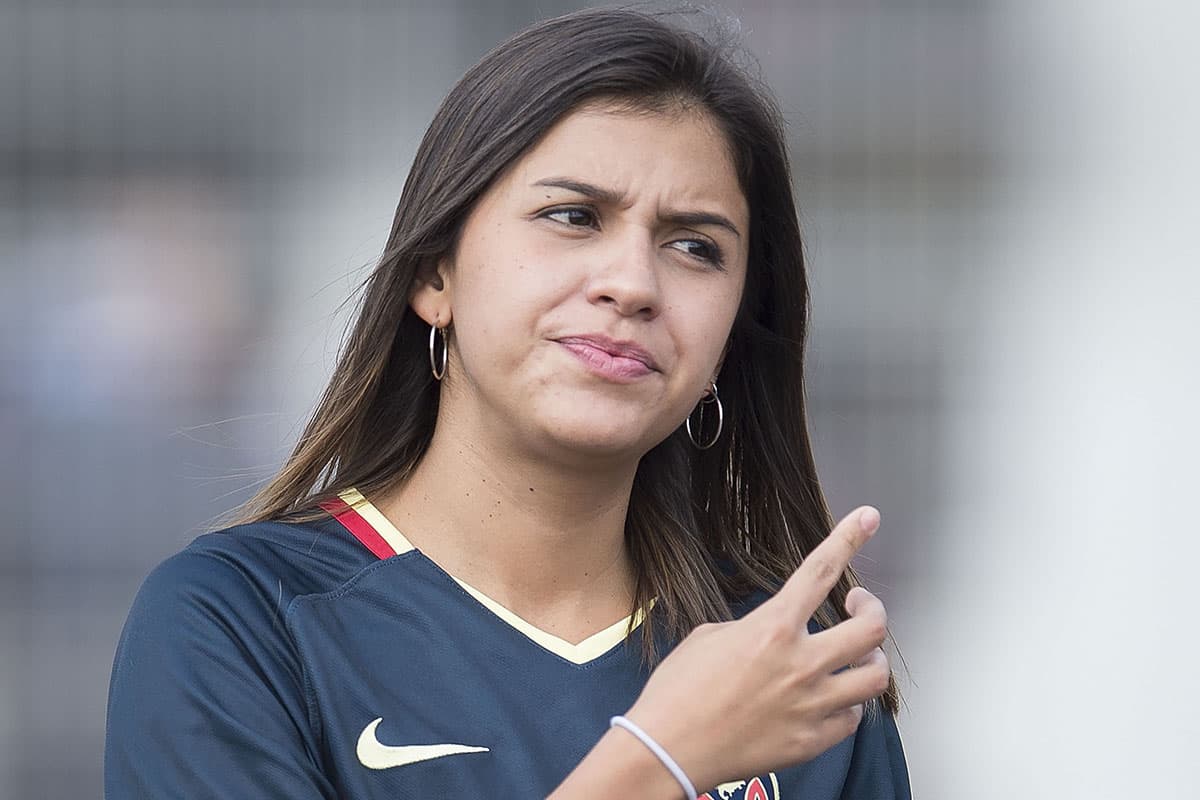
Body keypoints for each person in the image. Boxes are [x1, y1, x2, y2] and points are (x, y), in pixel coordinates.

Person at [104, 7, 910, 799]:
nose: (631, 283)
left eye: (695, 246)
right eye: (572, 216)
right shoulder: (240, 620)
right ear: (434, 274)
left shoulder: (785, 666)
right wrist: (659, 761)